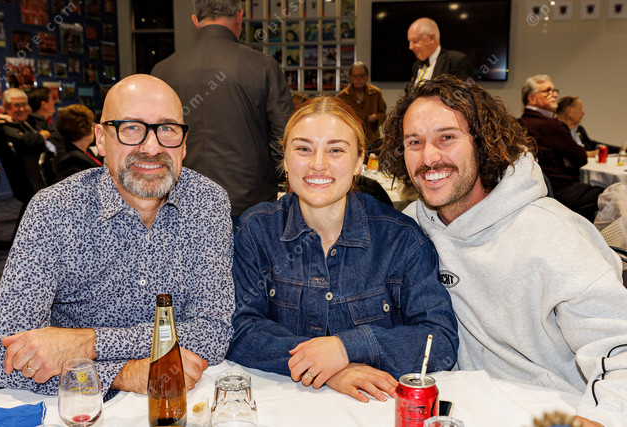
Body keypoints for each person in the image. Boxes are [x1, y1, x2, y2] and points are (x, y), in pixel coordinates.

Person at [381, 74, 627, 427]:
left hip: (550, 411)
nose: (429, 157)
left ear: (482, 143)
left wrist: (604, 416)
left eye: (447, 137)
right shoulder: (409, 231)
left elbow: (619, 347)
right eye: (414, 142)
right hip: (459, 408)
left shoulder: (552, 233)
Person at [0, 74, 235, 399]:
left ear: (184, 143)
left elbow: (214, 333)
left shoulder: (207, 203)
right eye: (131, 128)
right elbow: (0, 357)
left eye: (167, 129)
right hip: (79, 408)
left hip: (182, 401)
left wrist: (89, 343)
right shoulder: (54, 210)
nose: (152, 147)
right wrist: (122, 373)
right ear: (100, 139)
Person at [227, 97, 458, 403]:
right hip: (283, 407)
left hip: (372, 411)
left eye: (335, 150)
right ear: (285, 159)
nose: (318, 163)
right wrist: (330, 369)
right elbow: (238, 327)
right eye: (303, 148)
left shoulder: (400, 238)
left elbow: (439, 341)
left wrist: (347, 347)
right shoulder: (256, 231)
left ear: (359, 161)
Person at [151, 0, 293, 220]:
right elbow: (285, 137)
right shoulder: (263, 66)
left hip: (181, 201)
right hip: (249, 204)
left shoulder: (162, 70)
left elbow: (151, 136)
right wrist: (285, 178)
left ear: (195, 20)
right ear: (240, 16)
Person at [519, 75, 603, 222]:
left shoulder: (519, 123)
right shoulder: (550, 125)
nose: (555, 95)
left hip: (534, 194)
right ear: (532, 98)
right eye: (548, 91)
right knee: (610, 194)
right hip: (561, 192)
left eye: (554, 90)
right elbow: (580, 158)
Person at [337, 61, 387, 156]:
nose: (358, 79)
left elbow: (383, 113)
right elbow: (339, 118)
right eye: (355, 76)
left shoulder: (376, 93)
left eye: (362, 76)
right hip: (351, 139)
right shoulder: (343, 95)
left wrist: (377, 117)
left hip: (372, 139)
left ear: (367, 77)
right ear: (350, 78)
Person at [407, 17, 475, 84]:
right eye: (409, 42)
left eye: (415, 41)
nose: (410, 47)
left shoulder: (456, 61)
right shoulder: (416, 65)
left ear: (431, 38)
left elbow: (468, 90)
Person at [53, 103, 103, 183]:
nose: (93, 128)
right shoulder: (71, 161)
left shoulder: (84, 151)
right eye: (91, 125)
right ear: (83, 128)